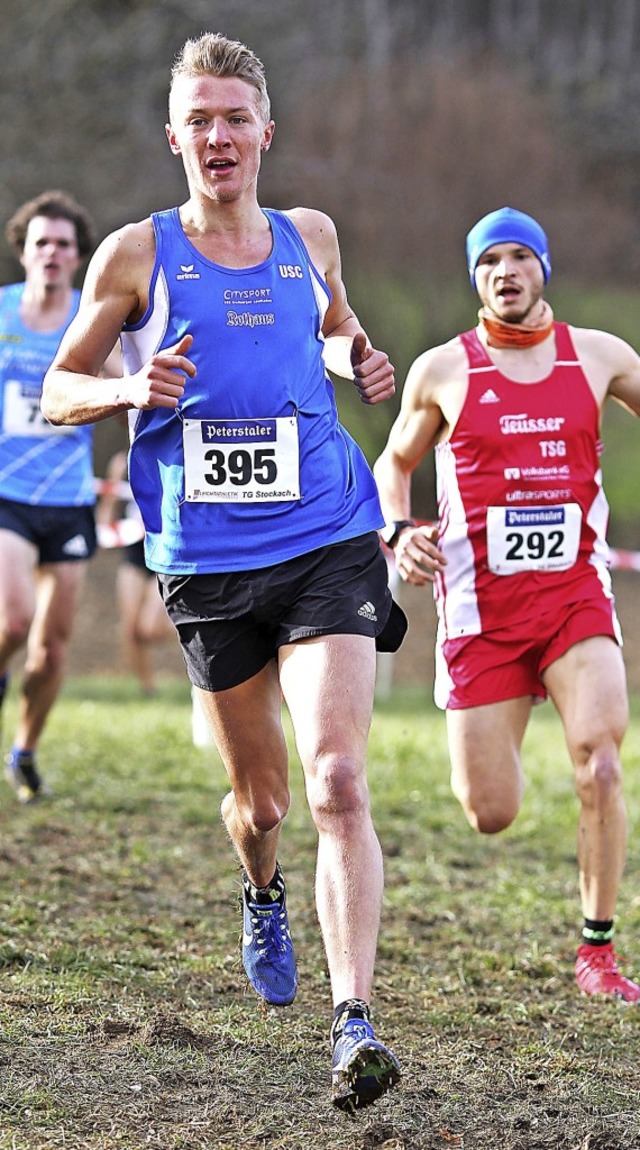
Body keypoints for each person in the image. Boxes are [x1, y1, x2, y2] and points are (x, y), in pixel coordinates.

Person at [42, 32, 406, 1111]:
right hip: (207, 562)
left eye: (234, 117)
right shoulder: (134, 257)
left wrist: (358, 359)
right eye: (198, 119)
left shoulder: (309, 235)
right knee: (262, 803)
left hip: (327, 531)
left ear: (264, 133)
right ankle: (260, 887)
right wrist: (126, 390)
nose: (218, 136)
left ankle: (354, 1023)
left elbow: (333, 331)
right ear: (173, 138)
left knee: (338, 778)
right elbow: (58, 393)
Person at [374, 205, 640, 1003]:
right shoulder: (442, 371)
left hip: (573, 598)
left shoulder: (596, 357)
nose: (506, 272)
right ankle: (507, 717)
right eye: (490, 261)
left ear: (543, 270)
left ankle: (597, 950)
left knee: (599, 761)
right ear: (475, 278)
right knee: (489, 812)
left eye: (521, 257)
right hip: (481, 615)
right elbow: (394, 464)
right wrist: (396, 530)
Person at [0, 190, 100, 804]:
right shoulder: (3, 313)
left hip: (68, 498)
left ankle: (26, 749)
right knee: (13, 619)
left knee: (52, 645)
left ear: (78, 256)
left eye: (64, 244)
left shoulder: (90, 320)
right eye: (42, 242)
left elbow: (122, 386)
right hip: (6, 492)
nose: (53, 253)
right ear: (23, 250)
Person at [97, 449, 176, 696]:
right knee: (130, 629)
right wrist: (115, 480)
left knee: (149, 628)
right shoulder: (123, 460)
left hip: (165, 551)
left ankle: (204, 631)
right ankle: (148, 690)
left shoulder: (172, 452)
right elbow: (103, 522)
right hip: (133, 553)